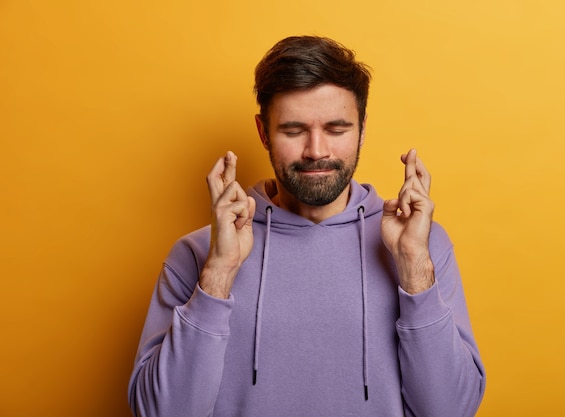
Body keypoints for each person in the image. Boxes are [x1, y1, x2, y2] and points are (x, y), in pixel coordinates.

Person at [128, 35, 486, 417]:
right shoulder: (199, 254)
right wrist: (218, 272)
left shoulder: (420, 245)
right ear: (263, 132)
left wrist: (414, 268)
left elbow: (450, 410)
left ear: (362, 128)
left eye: (336, 129)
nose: (317, 150)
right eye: (294, 130)